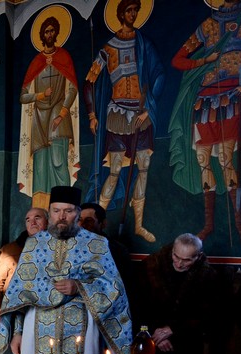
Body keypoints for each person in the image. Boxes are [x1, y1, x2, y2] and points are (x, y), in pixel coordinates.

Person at [0, 186, 133, 354]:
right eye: (56, 211)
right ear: (50, 212)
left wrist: (79, 287)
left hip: (83, 326)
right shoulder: (34, 244)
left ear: (78, 213)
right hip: (36, 326)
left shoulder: (97, 244)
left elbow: (113, 288)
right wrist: (17, 332)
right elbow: (21, 293)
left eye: (68, 211)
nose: (62, 217)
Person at [168, 0, 241, 247]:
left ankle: (238, 223)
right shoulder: (207, 25)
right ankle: (208, 225)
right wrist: (203, 62)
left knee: (228, 159)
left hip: (233, 95)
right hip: (204, 98)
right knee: (203, 160)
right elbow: (178, 60)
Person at [84, 0, 164, 243]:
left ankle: (138, 224)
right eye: (129, 10)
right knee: (115, 171)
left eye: (136, 10)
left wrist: (148, 110)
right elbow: (89, 82)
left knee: (144, 167)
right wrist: (92, 114)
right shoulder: (107, 49)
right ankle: (97, 226)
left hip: (141, 115)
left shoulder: (144, 43)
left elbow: (159, 75)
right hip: (117, 115)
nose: (133, 14)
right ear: (120, 13)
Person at [136, 233, 231, 354]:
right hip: (148, 338)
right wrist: (157, 333)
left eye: (186, 260)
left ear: (198, 256)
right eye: (176, 257)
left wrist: (173, 330)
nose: (179, 263)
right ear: (172, 250)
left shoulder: (208, 277)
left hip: (183, 345)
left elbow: (209, 315)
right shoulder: (151, 267)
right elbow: (140, 305)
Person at [17, 13, 79, 208]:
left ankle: (62, 208)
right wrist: (40, 95)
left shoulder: (64, 57)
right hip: (38, 118)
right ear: (42, 36)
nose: (49, 34)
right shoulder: (36, 62)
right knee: (41, 165)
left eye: (52, 31)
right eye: (46, 31)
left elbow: (73, 88)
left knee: (59, 161)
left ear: (57, 33)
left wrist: (62, 113)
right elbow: (23, 96)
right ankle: (41, 209)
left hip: (58, 116)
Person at [0, 207, 48, 315]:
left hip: (46, 310)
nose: (32, 222)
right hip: (15, 309)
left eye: (37, 218)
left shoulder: (58, 248)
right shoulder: (11, 249)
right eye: (28, 220)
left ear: (48, 221)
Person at [79, 201, 133, 301]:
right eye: (79, 220)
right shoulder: (71, 246)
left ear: (103, 224)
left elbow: (121, 284)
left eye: (89, 221)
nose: (82, 225)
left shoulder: (117, 249)